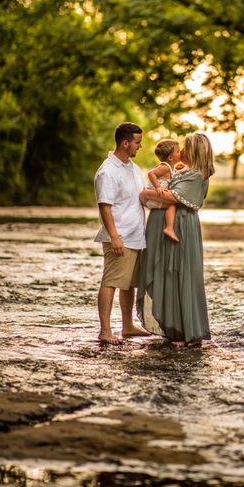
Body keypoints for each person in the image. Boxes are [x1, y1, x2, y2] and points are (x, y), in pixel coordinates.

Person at [136, 132, 215, 347]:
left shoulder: (198, 175)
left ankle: (184, 330)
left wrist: (145, 194)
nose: (180, 152)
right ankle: (174, 328)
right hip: (171, 226)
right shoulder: (186, 171)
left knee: (178, 274)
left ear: (194, 151)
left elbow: (172, 196)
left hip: (181, 228)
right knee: (167, 274)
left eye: (185, 148)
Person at [94, 122, 148, 344]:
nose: (139, 147)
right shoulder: (108, 171)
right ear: (125, 143)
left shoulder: (133, 168)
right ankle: (105, 331)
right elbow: (104, 206)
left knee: (129, 283)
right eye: (137, 142)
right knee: (111, 281)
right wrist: (114, 237)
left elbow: (143, 197)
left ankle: (127, 326)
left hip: (136, 236)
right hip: (119, 237)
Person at [145, 139, 181, 242]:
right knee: (173, 204)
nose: (180, 152)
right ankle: (169, 228)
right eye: (178, 151)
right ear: (170, 157)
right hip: (153, 197)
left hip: (155, 197)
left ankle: (169, 227)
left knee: (173, 204)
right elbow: (151, 173)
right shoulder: (165, 167)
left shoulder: (170, 167)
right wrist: (158, 186)